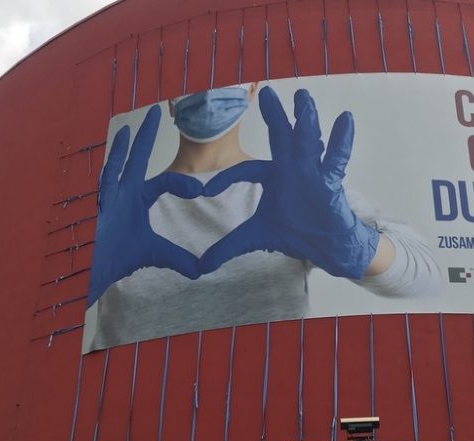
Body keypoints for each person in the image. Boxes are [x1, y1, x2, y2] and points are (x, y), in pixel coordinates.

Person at [83, 82, 442, 351]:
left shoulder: (293, 191)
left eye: (224, 72)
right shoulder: (119, 212)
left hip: (276, 428)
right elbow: (37, 329)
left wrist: (357, 246)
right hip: (125, 433)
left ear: (252, 86)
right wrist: (78, 282)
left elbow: (426, 276)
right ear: (170, 97)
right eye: (196, 74)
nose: (209, 89)